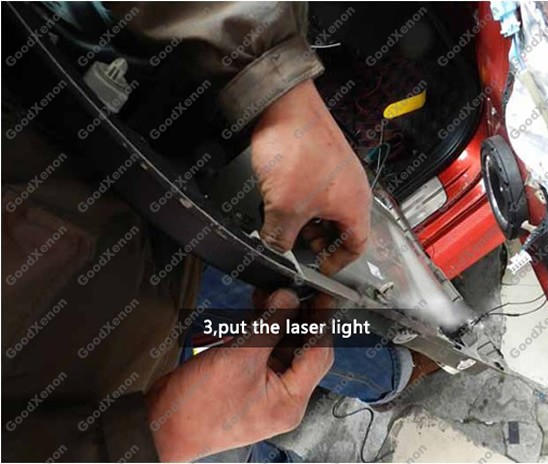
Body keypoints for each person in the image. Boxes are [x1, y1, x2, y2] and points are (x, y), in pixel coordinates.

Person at [2, 2, 409, 462]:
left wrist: (277, 86)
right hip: (132, 401)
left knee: (293, 323)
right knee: (244, 420)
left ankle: (390, 375)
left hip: (131, 242)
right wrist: (161, 438)